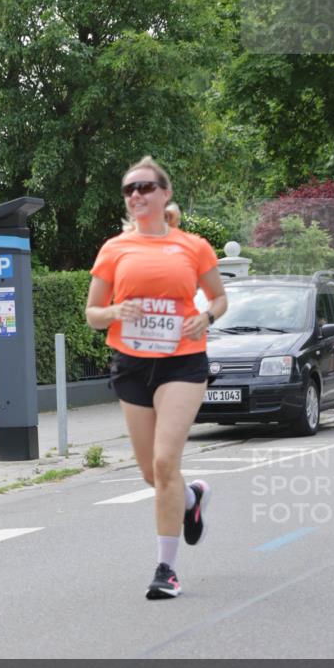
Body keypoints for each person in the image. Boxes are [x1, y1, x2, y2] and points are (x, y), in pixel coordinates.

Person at [86, 156, 227, 599]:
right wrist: (114, 311)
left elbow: (219, 299)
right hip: (130, 362)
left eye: (145, 187)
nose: (137, 195)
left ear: (165, 193)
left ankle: (166, 569)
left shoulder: (193, 246)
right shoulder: (114, 249)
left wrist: (205, 317)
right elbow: (92, 314)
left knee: (167, 463)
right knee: (151, 473)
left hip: (182, 362)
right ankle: (190, 499)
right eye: (129, 189)